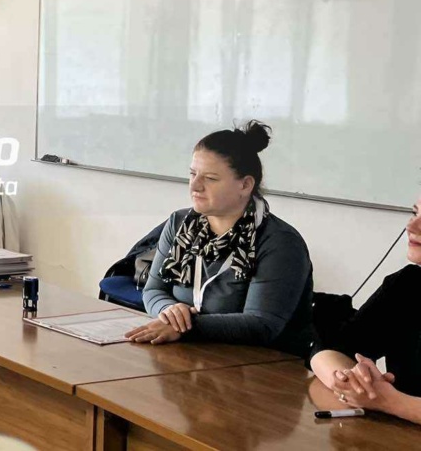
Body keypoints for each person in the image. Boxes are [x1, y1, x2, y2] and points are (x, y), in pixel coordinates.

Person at [127, 121, 314, 357]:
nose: (195, 186)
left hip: (262, 366)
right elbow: (153, 290)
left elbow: (262, 324)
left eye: (210, 178)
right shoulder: (179, 223)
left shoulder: (280, 242)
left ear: (245, 185)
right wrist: (169, 311)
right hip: (191, 356)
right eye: (193, 174)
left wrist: (184, 327)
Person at [308, 197, 421, 423]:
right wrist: (349, 381)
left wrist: (389, 401)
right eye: (415, 213)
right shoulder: (407, 285)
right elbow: (331, 349)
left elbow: (386, 400)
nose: (411, 226)